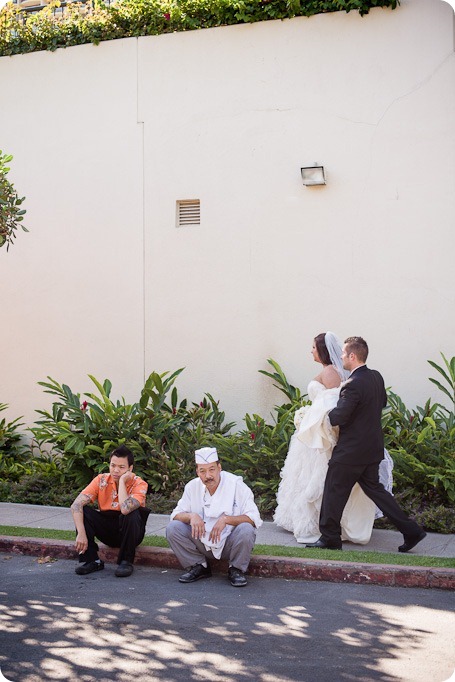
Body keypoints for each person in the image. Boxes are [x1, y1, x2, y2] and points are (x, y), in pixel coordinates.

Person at [306, 336, 426, 552]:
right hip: (372, 448)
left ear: (352, 356)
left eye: (343, 353)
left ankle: (329, 538)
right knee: (377, 491)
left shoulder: (352, 384)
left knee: (333, 490)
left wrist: (320, 413)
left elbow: (339, 417)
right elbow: (381, 403)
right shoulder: (376, 377)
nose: (341, 356)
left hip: (351, 450)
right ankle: (412, 531)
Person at [274, 332, 393, 545]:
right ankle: (328, 531)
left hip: (324, 436)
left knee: (327, 485)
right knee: (333, 485)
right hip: (317, 435)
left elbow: (334, 405)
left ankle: (328, 532)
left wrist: (312, 420)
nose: (310, 351)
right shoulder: (347, 374)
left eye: (313, 347)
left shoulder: (331, 372)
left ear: (322, 350)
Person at [166, 447, 262, 587]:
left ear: (219, 468)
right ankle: (198, 566)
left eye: (212, 469)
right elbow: (175, 515)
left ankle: (236, 569)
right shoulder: (192, 486)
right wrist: (192, 516)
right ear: (197, 471)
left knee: (246, 529)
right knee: (173, 528)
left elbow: (254, 518)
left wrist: (226, 520)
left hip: (229, 543)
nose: (208, 476)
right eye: (202, 471)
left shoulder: (236, 485)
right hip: (202, 541)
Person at [71, 445, 150, 577]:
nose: (116, 470)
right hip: (108, 529)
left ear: (130, 468)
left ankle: (126, 561)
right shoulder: (101, 480)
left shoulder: (140, 484)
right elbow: (76, 505)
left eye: (121, 467)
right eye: (113, 465)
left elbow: (125, 509)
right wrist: (81, 533)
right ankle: (92, 560)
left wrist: (123, 482)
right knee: (83, 510)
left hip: (131, 532)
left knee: (131, 512)